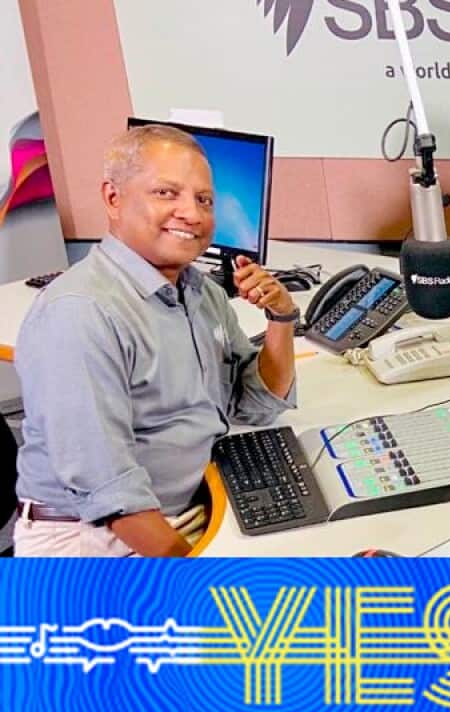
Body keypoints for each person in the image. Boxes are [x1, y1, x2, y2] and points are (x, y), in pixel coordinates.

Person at [13, 124, 299, 557]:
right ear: (113, 198)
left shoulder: (199, 293)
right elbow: (112, 495)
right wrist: (197, 586)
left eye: (203, 199)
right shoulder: (80, 313)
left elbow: (255, 405)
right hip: (93, 537)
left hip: (179, 510)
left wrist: (282, 317)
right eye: (167, 193)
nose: (192, 213)